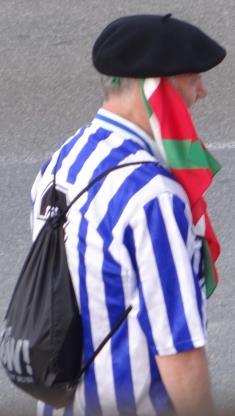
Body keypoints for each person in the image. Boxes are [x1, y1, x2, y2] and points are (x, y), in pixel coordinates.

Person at [33, 14, 226, 416]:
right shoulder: (154, 196)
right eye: (193, 79)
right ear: (160, 89)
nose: (203, 92)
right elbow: (179, 350)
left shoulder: (60, 162)